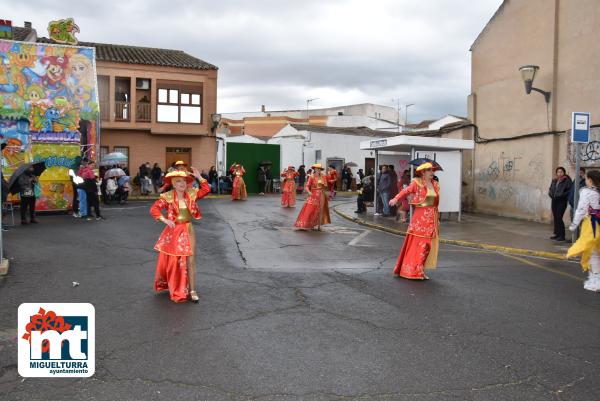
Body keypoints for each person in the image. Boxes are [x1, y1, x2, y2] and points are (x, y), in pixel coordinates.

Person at [150, 168, 210, 303]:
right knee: (176, 262)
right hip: (175, 232)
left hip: (188, 229)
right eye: (178, 181)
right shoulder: (168, 197)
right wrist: (164, 219)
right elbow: (154, 208)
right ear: (173, 184)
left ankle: (193, 290)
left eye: (183, 181)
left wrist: (200, 178)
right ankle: (177, 287)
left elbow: (206, 190)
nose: (182, 184)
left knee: (191, 260)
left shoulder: (191, 194)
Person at [389, 162, 440, 280]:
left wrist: (437, 219)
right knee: (418, 245)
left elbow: (436, 204)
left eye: (433, 170)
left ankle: (420, 270)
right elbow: (405, 191)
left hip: (432, 218)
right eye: (429, 170)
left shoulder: (436, 185)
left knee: (427, 245)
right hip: (420, 219)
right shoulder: (417, 183)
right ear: (423, 172)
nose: (432, 172)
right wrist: (396, 198)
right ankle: (413, 271)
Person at [567, 169, 600, 292]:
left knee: (593, 253)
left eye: (586, 179)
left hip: (592, 225)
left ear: (590, 180)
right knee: (596, 252)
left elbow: (581, 210)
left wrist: (574, 225)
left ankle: (596, 281)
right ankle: (595, 278)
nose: (585, 181)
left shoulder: (587, 192)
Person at [295, 164, 331, 230]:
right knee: (310, 209)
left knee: (320, 210)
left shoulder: (323, 176)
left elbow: (326, 186)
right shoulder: (312, 176)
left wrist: (324, 186)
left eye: (320, 169)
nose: (318, 170)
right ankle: (308, 224)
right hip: (313, 194)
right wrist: (309, 192)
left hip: (321, 194)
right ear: (314, 169)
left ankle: (319, 226)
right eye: (317, 169)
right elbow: (307, 186)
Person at [548, 166, 572, 241]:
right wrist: (551, 194)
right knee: (555, 217)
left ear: (564, 173)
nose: (559, 173)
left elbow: (569, 191)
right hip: (554, 200)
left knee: (559, 217)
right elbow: (551, 189)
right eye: (558, 172)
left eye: (561, 172)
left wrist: (561, 195)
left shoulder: (567, 180)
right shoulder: (555, 180)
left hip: (562, 201)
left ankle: (562, 236)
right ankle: (557, 234)